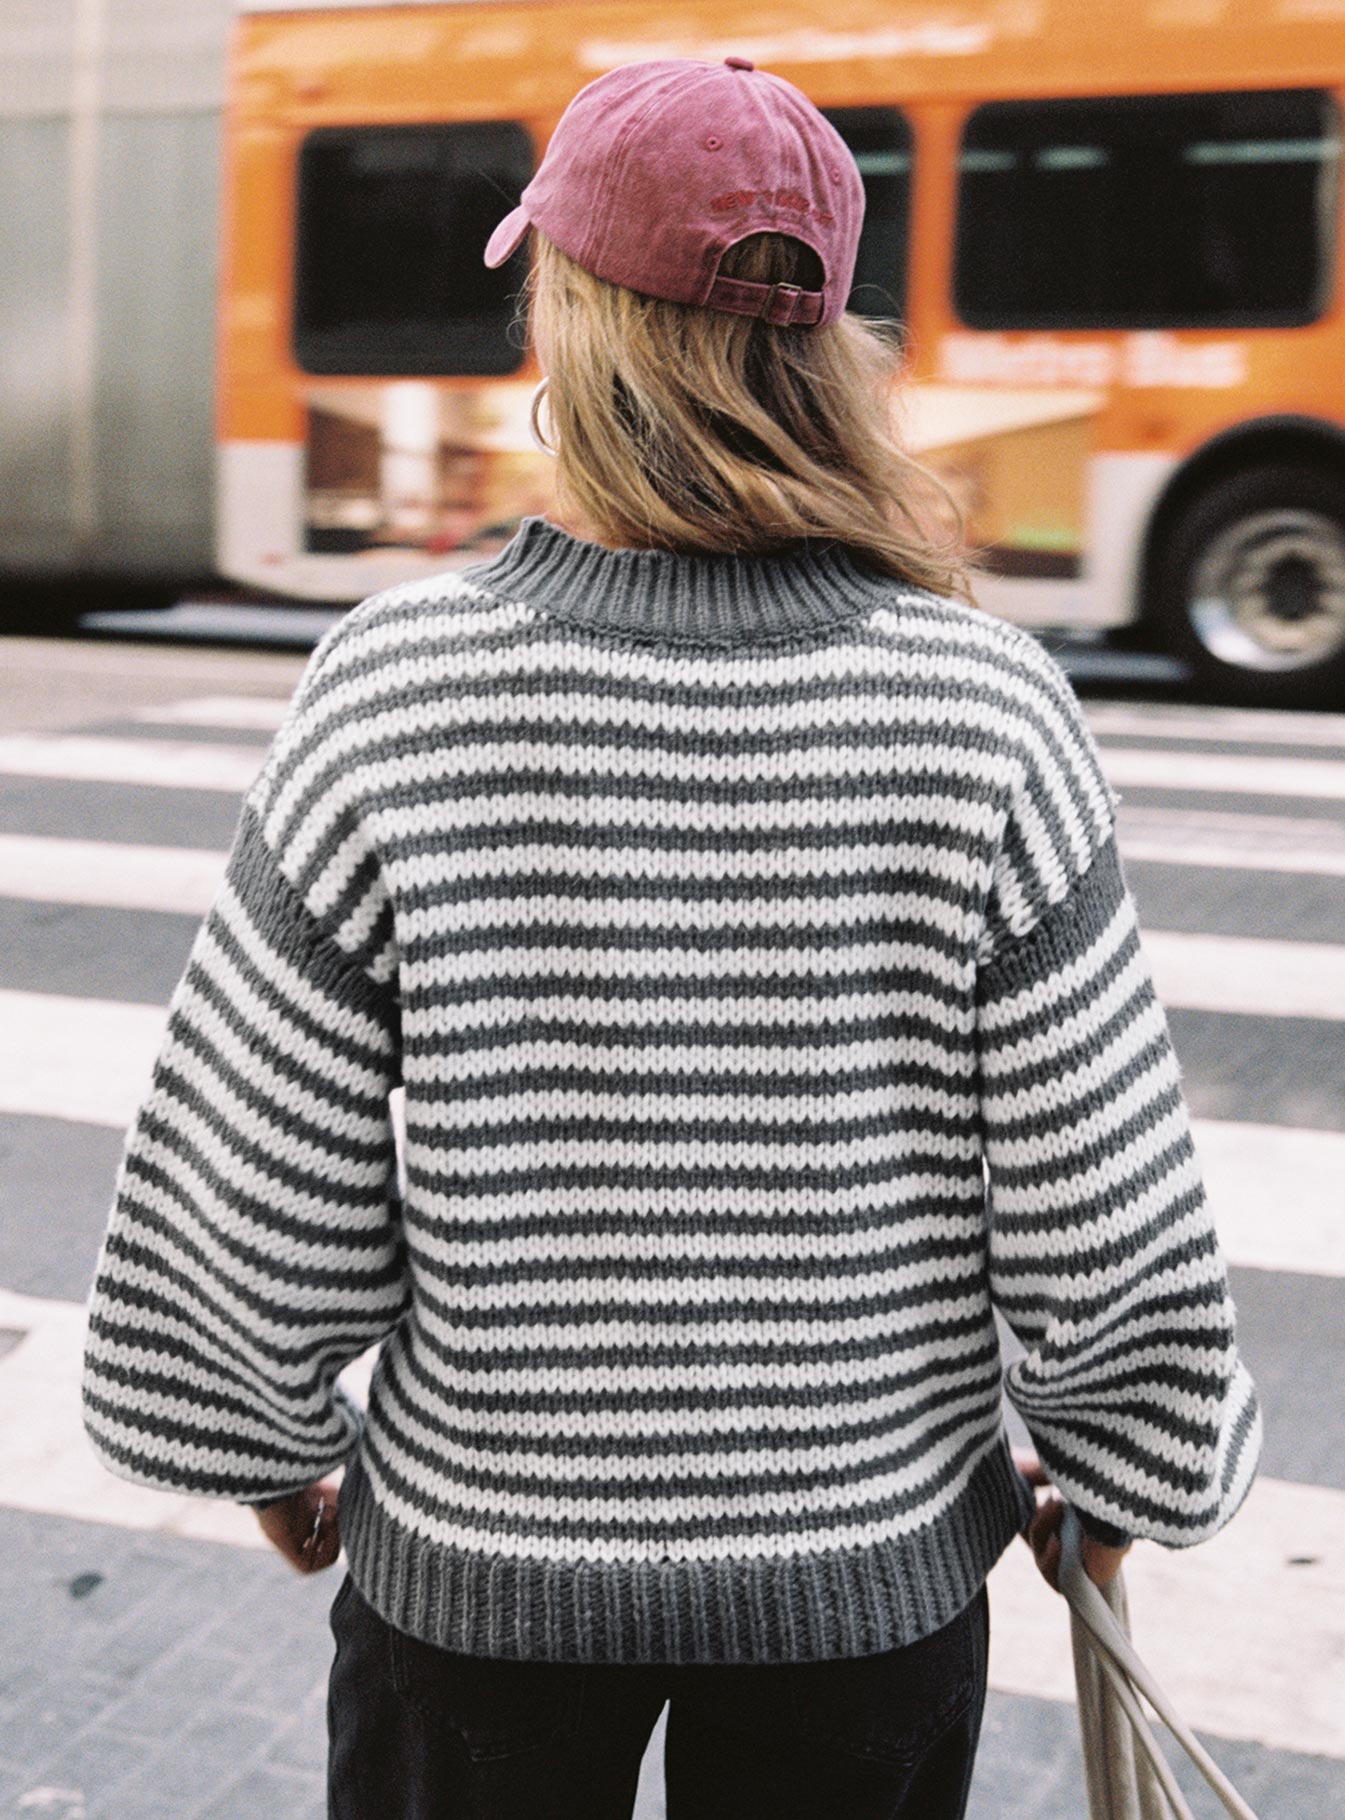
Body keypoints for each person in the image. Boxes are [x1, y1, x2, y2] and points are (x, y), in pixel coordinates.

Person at [80, 56, 1263, 1820]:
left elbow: (248, 1160)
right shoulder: (983, 706)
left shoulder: (398, 689)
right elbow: (1101, 1183)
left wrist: (256, 1437)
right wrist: (1125, 1473)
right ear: (825, 339)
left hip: (479, 1581)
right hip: (859, 1588)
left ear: (566, 315)